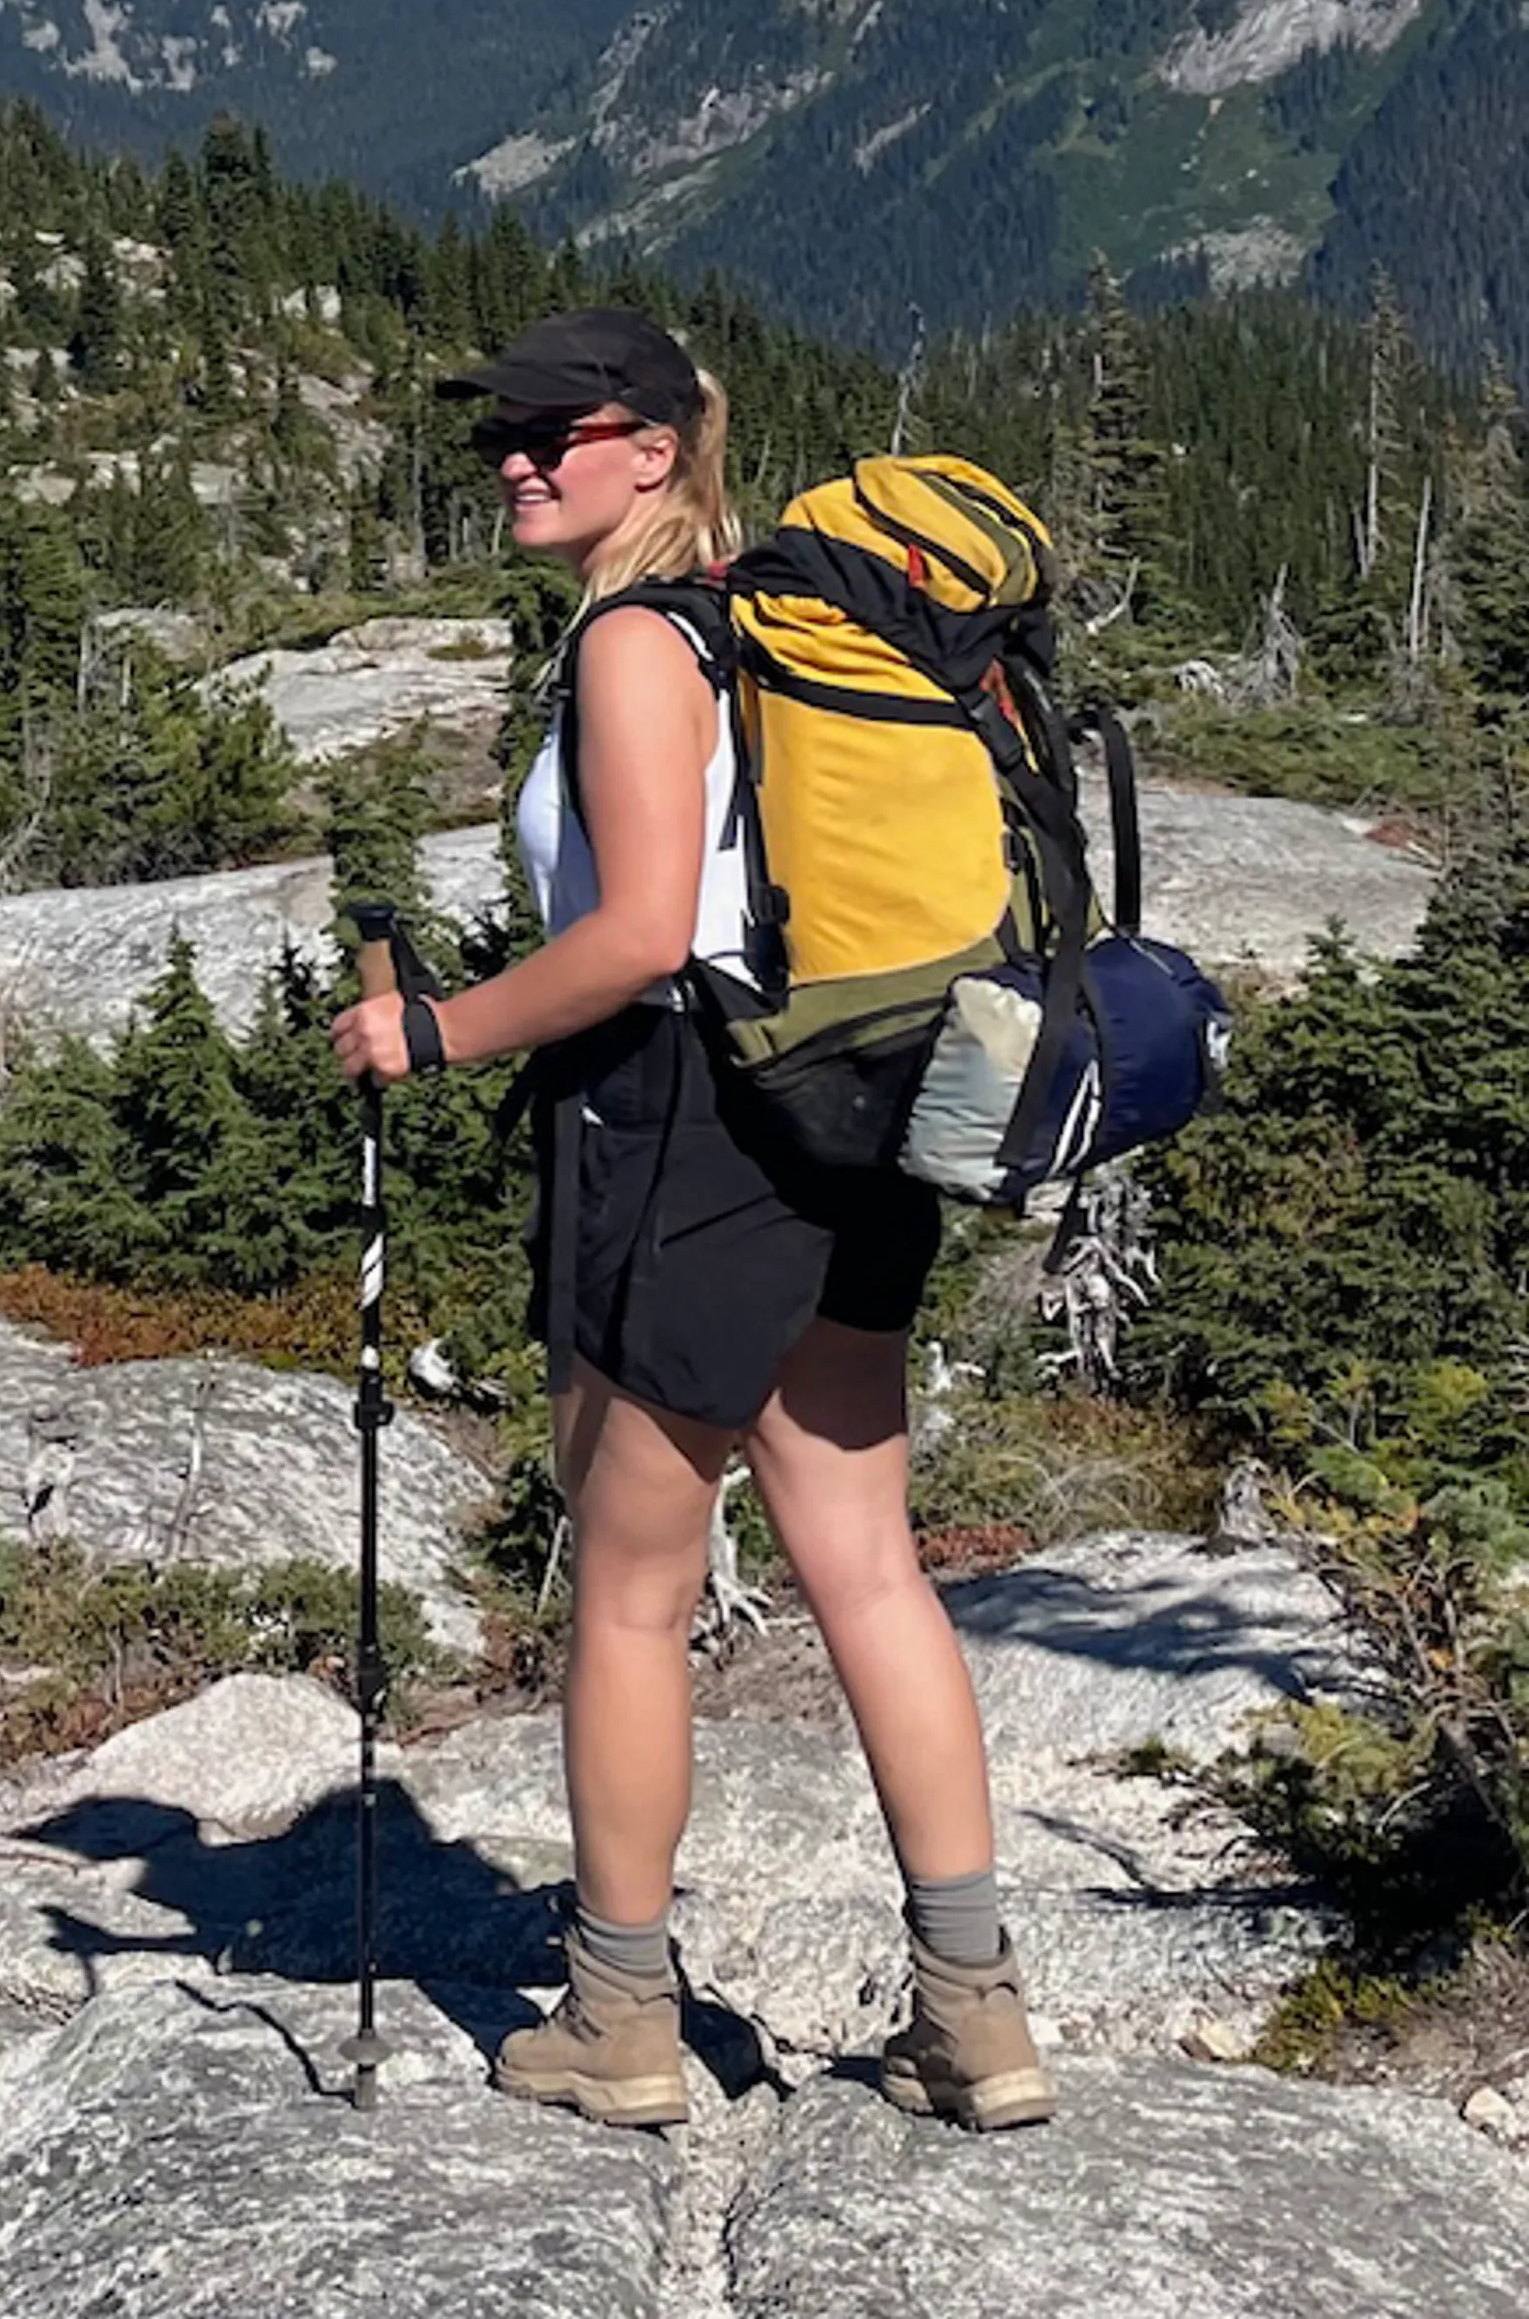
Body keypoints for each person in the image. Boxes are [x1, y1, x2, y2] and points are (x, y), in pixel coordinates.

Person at [325, 308, 1051, 2135]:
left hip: (686, 1124)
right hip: (849, 1110)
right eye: (503, 432)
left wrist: (432, 1029)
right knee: (868, 1561)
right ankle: (976, 2016)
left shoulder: (646, 643)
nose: (513, 458)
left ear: (653, 448)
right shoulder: (776, 622)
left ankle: (620, 2018)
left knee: (636, 1596)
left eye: (550, 432)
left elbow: (644, 931)